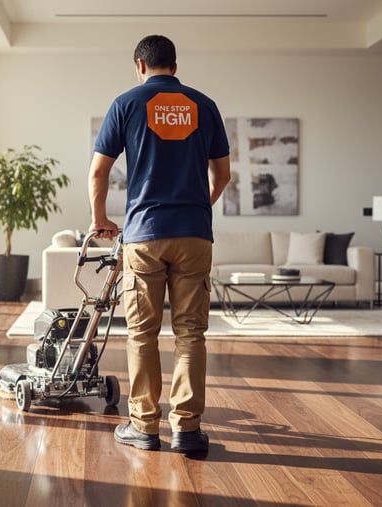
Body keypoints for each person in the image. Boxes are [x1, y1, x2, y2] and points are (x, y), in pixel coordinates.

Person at [88, 34, 232, 452]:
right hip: (193, 235)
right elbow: (222, 175)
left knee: (142, 333)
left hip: (144, 236)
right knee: (191, 334)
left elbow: (99, 173)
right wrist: (196, 208)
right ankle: (187, 431)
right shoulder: (204, 105)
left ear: (140, 65)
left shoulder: (127, 104)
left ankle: (145, 427)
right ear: (174, 64)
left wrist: (100, 219)